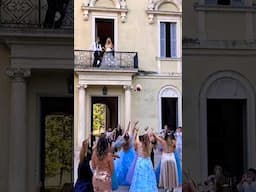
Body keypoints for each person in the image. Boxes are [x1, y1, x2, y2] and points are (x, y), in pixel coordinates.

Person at [114, 122, 136, 186]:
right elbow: (132, 132)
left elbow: (127, 132)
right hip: (129, 154)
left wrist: (129, 125)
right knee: (129, 167)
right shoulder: (129, 141)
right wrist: (133, 125)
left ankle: (125, 178)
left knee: (122, 167)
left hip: (123, 154)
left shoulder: (123, 141)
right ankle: (129, 178)